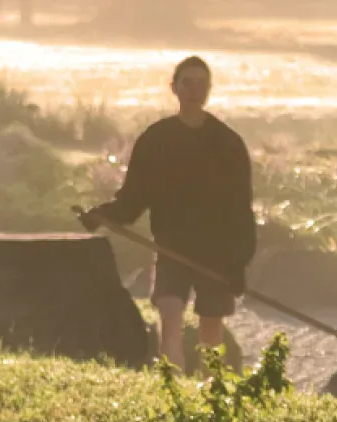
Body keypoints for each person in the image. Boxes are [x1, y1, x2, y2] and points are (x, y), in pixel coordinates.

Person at [81, 56, 255, 372]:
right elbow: (132, 199)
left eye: (202, 84)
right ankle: (171, 388)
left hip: (217, 252)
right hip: (171, 247)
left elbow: (242, 209)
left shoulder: (227, 143)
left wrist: (238, 265)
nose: (194, 90)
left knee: (211, 329)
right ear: (173, 88)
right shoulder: (156, 140)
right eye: (187, 83)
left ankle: (211, 390)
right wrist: (102, 215)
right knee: (170, 314)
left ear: (210, 90)